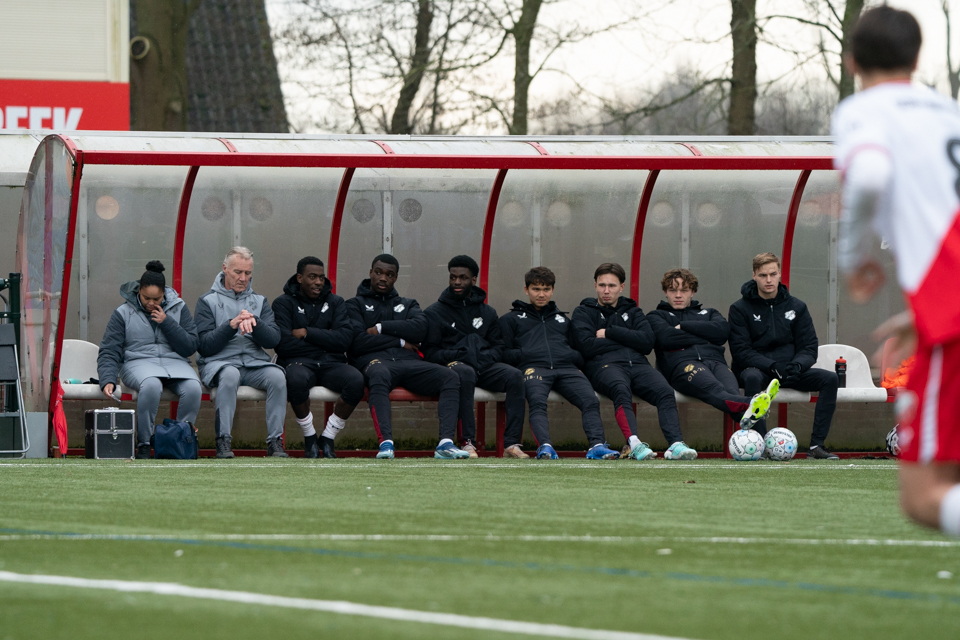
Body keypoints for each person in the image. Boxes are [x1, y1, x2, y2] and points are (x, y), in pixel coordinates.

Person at [833, 6, 960, 536]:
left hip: (952, 322)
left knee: (922, 497)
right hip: (943, 313)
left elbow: (869, 172)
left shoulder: (865, 111)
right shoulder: (948, 112)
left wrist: (851, 256)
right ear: (916, 57)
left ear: (852, 60)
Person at [345, 254, 469, 460]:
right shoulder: (354, 304)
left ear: (395, 278)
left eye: (389, 274)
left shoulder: (409, 303)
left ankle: (445, 443)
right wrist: (400, 341)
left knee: (450, 376)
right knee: (378, 372)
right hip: (376, 362)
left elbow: (420, 329)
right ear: (370, 273)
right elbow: (358, 342)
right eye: (378, 272)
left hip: (410, 363)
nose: (383, 278)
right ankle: (386, 443)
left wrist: (380, 328)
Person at [572, 262, 696, 460]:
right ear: (595, 285)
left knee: (664, 391)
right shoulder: (583, 312)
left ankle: (675, 444)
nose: (606, 290)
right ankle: (635, 443)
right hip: (604, 367)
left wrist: (610, 334)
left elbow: (647, 343)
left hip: (638, 365)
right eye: (602, 285)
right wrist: (630, 340)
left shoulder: (634, 311)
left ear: (621, 287)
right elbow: (587, 346)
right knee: (621, 388)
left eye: (612, 286)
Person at [499, 266, 619, 460]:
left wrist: (571, 358)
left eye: (546, 289)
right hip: (533, 368)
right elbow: (503, 353)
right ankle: (546, 448)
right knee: (538, 403)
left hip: (567, 369)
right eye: (536, 289)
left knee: (590, 400)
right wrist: (526, 355)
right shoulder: (510, 319)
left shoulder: (562, 319)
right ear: (526, 290)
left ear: (552, 290)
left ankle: (597, 445)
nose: (541, 294)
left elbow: (578, 349)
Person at [728, 253, 839, 460]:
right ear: (754, 276)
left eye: (773, 274)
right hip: (758, 371)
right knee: (752, 378)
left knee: (830, 379)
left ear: (780, 274)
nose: (768, 280)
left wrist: (797, 365)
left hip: (789, 370)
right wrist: (771, 365)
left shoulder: (797, 307)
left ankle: (816, 447)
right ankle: (761, 447)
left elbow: (809, 346)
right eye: (763, 275)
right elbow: (741, 351)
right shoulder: (739, 309)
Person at [423, 255, 527, 458]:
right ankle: (467, 443)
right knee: (464, 373)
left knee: (514, 376)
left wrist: (483, 358)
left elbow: (499, 347)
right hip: (455, 366)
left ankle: (512, 444)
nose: (457, 282)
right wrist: (459, 355)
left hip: (484, 365)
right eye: (453, 277)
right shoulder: (435, 312)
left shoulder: (487, 312)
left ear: (474, 280)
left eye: (463, 277)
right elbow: (430, 352)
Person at [97, 261, 202, 459]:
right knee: (152, 385)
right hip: (137, 363)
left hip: (175, 364)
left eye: (157, 298)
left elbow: (190, 346)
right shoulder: (123, 312)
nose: (151, 303)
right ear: (138, 292)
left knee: (194, 388)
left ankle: (181, 440)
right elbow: (110, 350)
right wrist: (108, 378)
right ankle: (144, 443)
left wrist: (167, 323)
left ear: (165, 294)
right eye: (146, 298)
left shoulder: (179, 308)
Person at [647, 268, 775, 430]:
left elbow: (722, 332)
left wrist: (684, 327)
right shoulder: (656, 316)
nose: (678, 295)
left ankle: (759, 444)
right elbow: (666, 338)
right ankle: (752, 403)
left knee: (732, 395)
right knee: (717, 391)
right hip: (683, 366)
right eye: (673, 290)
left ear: (692, 292)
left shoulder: (709, 313)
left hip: (716, 362)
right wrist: (706, 335)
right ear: (665, 292)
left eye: (684, 290)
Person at [195, 247, 288, 458]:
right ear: (225, 269)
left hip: (254, 364)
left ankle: (275, 441)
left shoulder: (260, 301)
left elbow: (274, 339)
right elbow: (204, 345)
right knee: (230, 374)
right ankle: (223, 440)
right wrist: (231, 325)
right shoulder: (207, 301)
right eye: (238, 272)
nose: (243, 278)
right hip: (220, 364)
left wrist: (255, 324)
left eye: (248, 273)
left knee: (277, 376)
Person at [272, 256, 365, 458]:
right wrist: (327, 338)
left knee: (356, 380)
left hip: (332, 363)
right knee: (295, 379)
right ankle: (310, 437)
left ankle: (328, 437)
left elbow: (344, 340)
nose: (318, 282)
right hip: (299, 363)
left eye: (321, 278)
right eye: (312, 277)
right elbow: (284, 344)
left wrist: (307, 333)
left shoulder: (336, 302)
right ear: (299, 278)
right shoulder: (283, 303)